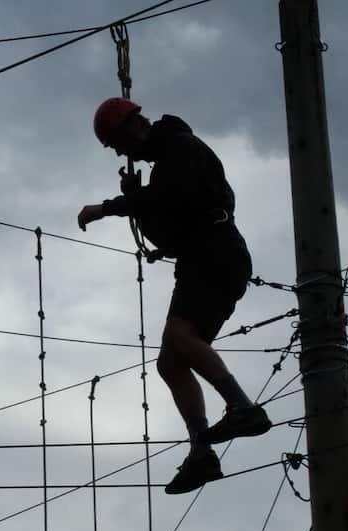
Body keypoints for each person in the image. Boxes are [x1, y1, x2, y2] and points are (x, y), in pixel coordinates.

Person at [77, 97, 271, 494]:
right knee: (171, 362)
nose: (121, 152)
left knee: (181, 337)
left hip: (215, 253)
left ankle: (243, 407)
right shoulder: (167, 164)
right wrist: (137, 203)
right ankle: (201, 450)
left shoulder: (181, 149)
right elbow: (165, 233)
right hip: (202, 257)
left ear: (134, 127)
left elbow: (166, 198)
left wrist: (111, 207)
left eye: (117, 143)